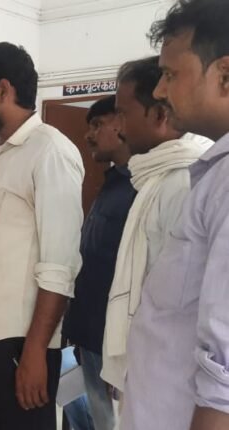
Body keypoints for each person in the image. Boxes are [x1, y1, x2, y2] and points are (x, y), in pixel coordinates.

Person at [0, 42, 84, 430]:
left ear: (3, 90)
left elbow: (59, 265)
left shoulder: (50, 151)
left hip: (18, 344)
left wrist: (36, 351)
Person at [121, 1, 229, 429]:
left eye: (171, 74)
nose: (161, 91)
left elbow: (225, 369)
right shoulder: (213, 173)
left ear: (225, 74)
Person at [100, 56, 206, 396]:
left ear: (159, 114)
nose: (118, 126)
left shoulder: (183, 183)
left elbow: (182, 303)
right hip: (146, 364)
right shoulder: (153, 178)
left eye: (123, 113)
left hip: (167, 373)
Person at [62, 95, 133, 430]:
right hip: (89, 334)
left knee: (110, 423)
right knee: (90, 417)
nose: (88, 135)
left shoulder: (141, 186)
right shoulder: (114, 182)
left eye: (97, 125)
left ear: (122, 123)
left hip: (113, 342)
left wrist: (122, 356)